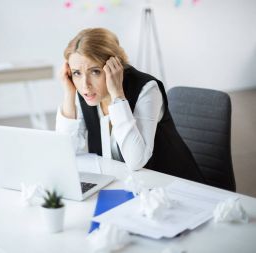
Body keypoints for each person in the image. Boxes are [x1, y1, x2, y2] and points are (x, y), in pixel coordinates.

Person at [56, 27, 205, 184]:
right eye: (76, 73)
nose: (85, 85)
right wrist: (69, 93)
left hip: (172, 186)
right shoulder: (85, 92)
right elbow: (65, 151)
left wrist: (117, 96)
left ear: (115, 66)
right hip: (125, 183)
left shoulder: (146, 89)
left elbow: (136, 160)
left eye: (95, 72)